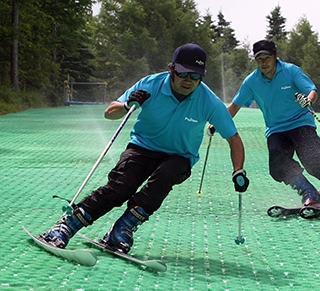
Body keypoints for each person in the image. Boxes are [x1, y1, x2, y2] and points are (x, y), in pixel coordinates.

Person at [42, 43, 250, 253]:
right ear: (172, 69)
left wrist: (238, 171)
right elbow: (109, 112)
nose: (188, 80)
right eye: (183, 73)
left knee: (165, 177)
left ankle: (122, 229)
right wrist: (126, 105)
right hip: (142, 148)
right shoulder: (150, 85)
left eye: (195, 76)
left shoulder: (209, 101)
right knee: (121, 187)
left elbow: (234, 138)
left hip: (180, 156)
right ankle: (67, 225)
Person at [225, 39, 320, 207]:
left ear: (276, 56)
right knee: (278, 164)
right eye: (259, 59)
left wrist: (308, 100)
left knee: (313, 159)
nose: (263, 63)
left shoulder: (291, 71)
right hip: (276, 129)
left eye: (267, 57)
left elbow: (311, 91)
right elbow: (234, 106)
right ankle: (310, 192)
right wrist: (216, 123)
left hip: (301, 122)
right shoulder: (251, 82)